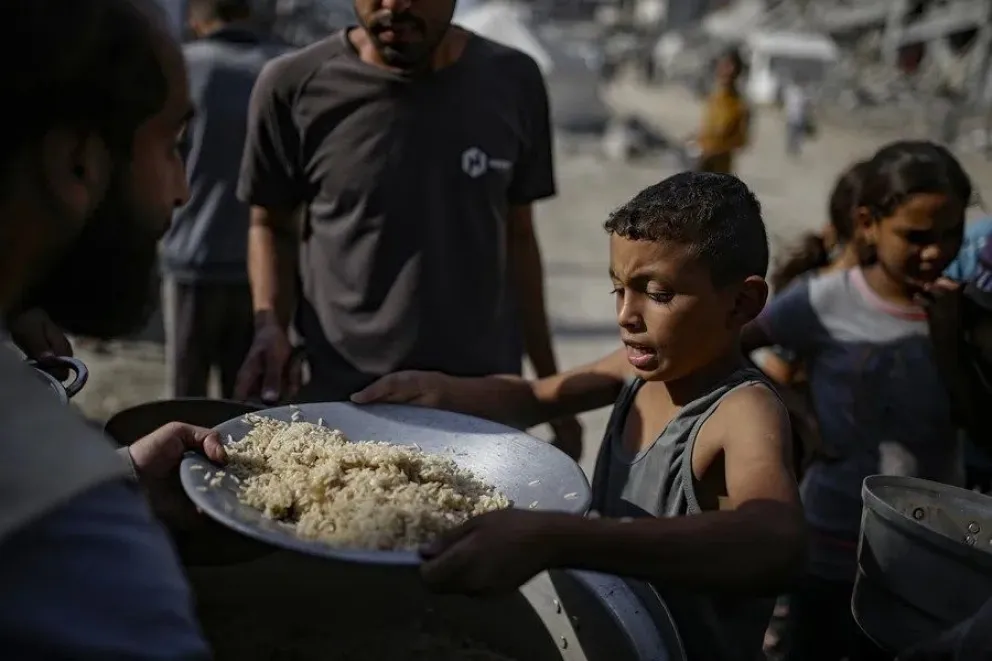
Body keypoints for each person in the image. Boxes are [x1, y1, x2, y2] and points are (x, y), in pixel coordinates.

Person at [352, 172, 807, 661]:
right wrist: (445, 390)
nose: (626, 316)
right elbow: (533, 397)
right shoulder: (639, 373)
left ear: (741, 302)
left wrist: (561, 538)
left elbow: (775, 538)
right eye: (619, 290)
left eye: (657, 293)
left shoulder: (742, 412)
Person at [233, 0, 581, 454]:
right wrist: (269, 326)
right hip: (343, 405)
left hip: (480, 404)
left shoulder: (513, 80)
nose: (394, 6)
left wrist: (551, 392)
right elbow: (269, 224)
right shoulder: (292, 86)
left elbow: (518, 238)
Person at [0, 0, 222, 656]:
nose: (181, 191)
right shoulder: (87, 550)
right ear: (77, 161)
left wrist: (122, 472)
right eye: (172, 147)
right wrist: (100, 503)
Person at [741, 140, 973, 661]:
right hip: (829, 544)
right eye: (916, 236)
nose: (936, 251)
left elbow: (977, 420)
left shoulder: (962, 312)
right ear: (867, 223)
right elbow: (726, 346)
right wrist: (790, 408)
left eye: (951, 234)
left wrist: (950, 338)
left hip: (929, 553)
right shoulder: (824, 300)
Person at [159, 0, 287, 399]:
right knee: (246, 407)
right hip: (262, 269)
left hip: (192, 257)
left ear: (197, 17)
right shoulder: (281, 68)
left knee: (184, 400)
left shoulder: (182, 66)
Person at [695, 48, 750, 174]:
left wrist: (715, 150)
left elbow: (741, 140)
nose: (727, 71)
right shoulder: (712, 98)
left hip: (720, 171)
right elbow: (706, 129)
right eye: (724, 66)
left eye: (731, 67)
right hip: (700, 165)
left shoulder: (740, 105)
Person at [782, 78, 811, 158]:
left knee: (794, 134)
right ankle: (793, 148)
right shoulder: (799, 93)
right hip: (795, 117)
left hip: (795, 117)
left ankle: (793, 148)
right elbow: (806, 104)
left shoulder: (792, 92)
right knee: (794, 134)